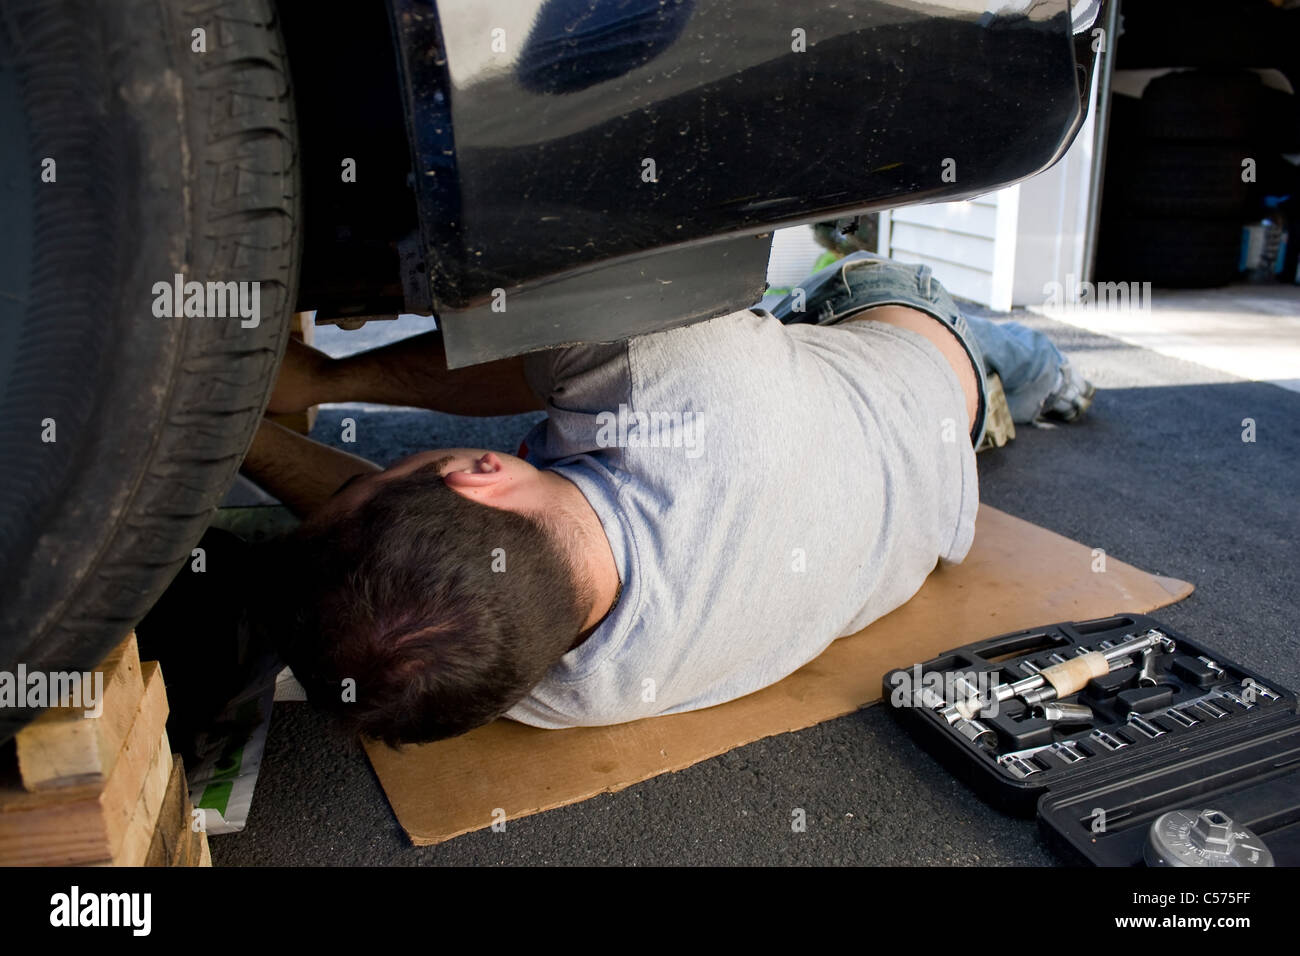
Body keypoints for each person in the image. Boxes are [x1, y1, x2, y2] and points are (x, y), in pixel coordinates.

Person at [242, 255, 1073, 746]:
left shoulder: (561, 690)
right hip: (909, 349)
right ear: (476, 472)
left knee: (831, 341)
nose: (368, 478)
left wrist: (233, 436)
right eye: (379, 477)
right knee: (970, 338)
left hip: (918, 501)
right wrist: (327, 377)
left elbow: (389, 585)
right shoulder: (670, 369)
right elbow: (540, 344)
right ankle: (1046, 367)